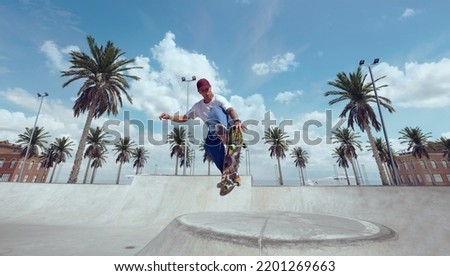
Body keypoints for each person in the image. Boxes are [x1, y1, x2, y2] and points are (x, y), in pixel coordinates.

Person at [159, 78, 243, 178]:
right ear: (199, 92)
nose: (205, 93)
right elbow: (185, 117)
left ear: (210, 88)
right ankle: (228, 171)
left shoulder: (219, 99)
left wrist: (237, 121)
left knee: (214, 110)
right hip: (215, 131)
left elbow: (230, 110)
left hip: (228, 124)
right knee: (208, 146)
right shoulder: (198, 107)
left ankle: (226, 133)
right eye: (202, 91)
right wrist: (171, 117)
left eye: (207, 89)